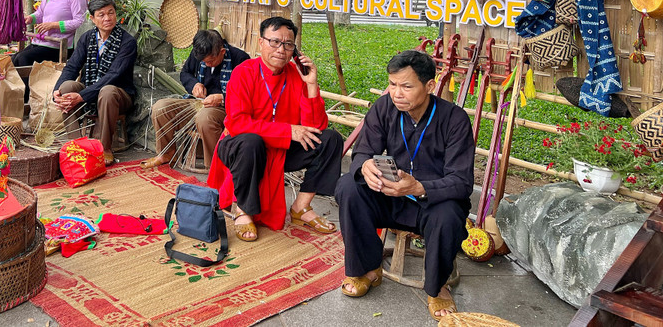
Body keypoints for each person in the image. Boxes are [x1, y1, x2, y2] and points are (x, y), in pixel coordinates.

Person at [335, 50, 474, 320]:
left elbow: (461, 182)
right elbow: (363, 153)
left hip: (431, 202)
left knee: (448, 214)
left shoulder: (454, 119)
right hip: (390, 196)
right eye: (392, 84)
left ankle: (438, 287)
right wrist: (365, 166)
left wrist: (418, 188)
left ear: (429, 86)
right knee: (348, 187)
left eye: (407, 86)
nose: (397, 93)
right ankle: (367, 269)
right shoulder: (384, 107)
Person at [207, 16, 342, 242]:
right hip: (240, 147)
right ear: (261, 42)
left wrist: (311, 85)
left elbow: (315, 126)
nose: (281, 49)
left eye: (288, 44)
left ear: (294, 49)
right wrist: (288, 131)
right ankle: (243, 209)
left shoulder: (296, 75)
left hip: (279, 149)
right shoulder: (243, 72)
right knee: (252, 141)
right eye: (275, 42)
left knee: (329, 139)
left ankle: (301, 207)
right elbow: (238, 123)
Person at [141, 30, 249, 170]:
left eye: (210, 61)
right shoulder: (199, 54)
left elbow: (249, 93)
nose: (206, 64)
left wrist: (223, 97)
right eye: (203, 62)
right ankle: (165, 154)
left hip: (226, 108)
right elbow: (185, 73)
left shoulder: (241, 59)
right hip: (199, 103)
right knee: (160, 107)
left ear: (222, 52)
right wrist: (194, 84)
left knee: (205, 117)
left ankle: (215, 166)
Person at [52, 0, 136, 165]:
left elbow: (114, 76)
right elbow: (72, 66)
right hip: (91, 89)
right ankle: (76, 144)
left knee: (107, 91)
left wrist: (82, 96)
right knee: (67, 87)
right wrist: (57, 90)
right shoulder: (87, 38)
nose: (107, 18)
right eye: (101, 14)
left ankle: (104, 148)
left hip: (119, 96)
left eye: (111, 13)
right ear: (92, 18)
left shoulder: (127, 42)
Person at [12, 0, 88, 69]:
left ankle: (28, 87)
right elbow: (40, 13)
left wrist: (53, 25)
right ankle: (19, 87)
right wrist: (30, 18)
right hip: (43, 41)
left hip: (59, 45)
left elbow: (80, 21)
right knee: (15, 59)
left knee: (24, 58)